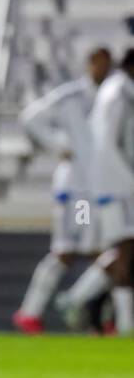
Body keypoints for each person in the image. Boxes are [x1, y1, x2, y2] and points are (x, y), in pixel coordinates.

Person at [13, 48, 112, 333]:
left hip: (98, 189)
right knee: (69, 251)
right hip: (76, 192)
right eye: (99, 64)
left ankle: (88, 309)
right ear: (89, 64)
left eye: (107, 64)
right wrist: (58, 145)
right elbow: (30, 118)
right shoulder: (71, 96)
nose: (103, 69)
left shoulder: (111, 96)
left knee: (103, 252)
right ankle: (34, 312)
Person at [55, 48, 134, 335]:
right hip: (107, 190)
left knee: (119, 251)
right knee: (109, 250)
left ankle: (79, 300)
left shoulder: (116, 92)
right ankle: (118, 321)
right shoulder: (114, 95)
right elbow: (107, 145)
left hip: (105, 187)